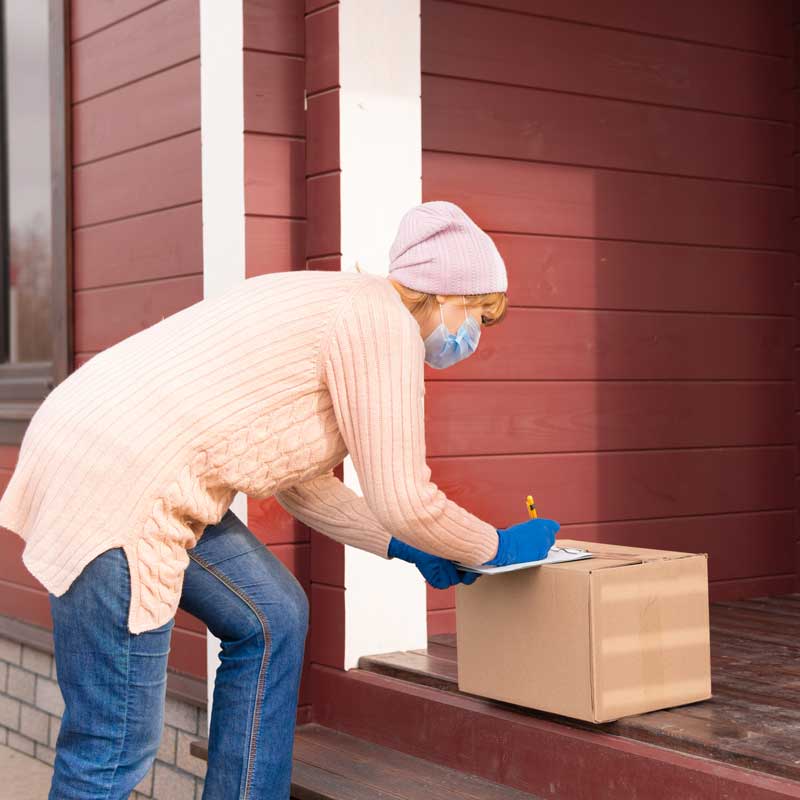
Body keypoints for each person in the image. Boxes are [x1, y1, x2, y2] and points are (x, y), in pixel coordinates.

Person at [0, 200, 560, 799]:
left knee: (272, 616)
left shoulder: (339, 306)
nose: (471, 334)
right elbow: (406, 496)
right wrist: (495, 547)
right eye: (476, 313)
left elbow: (304, 485)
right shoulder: (383, 322)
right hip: (119, 482)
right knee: (112, 746)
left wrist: (403, 545)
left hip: (126, 461)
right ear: (444, 295)